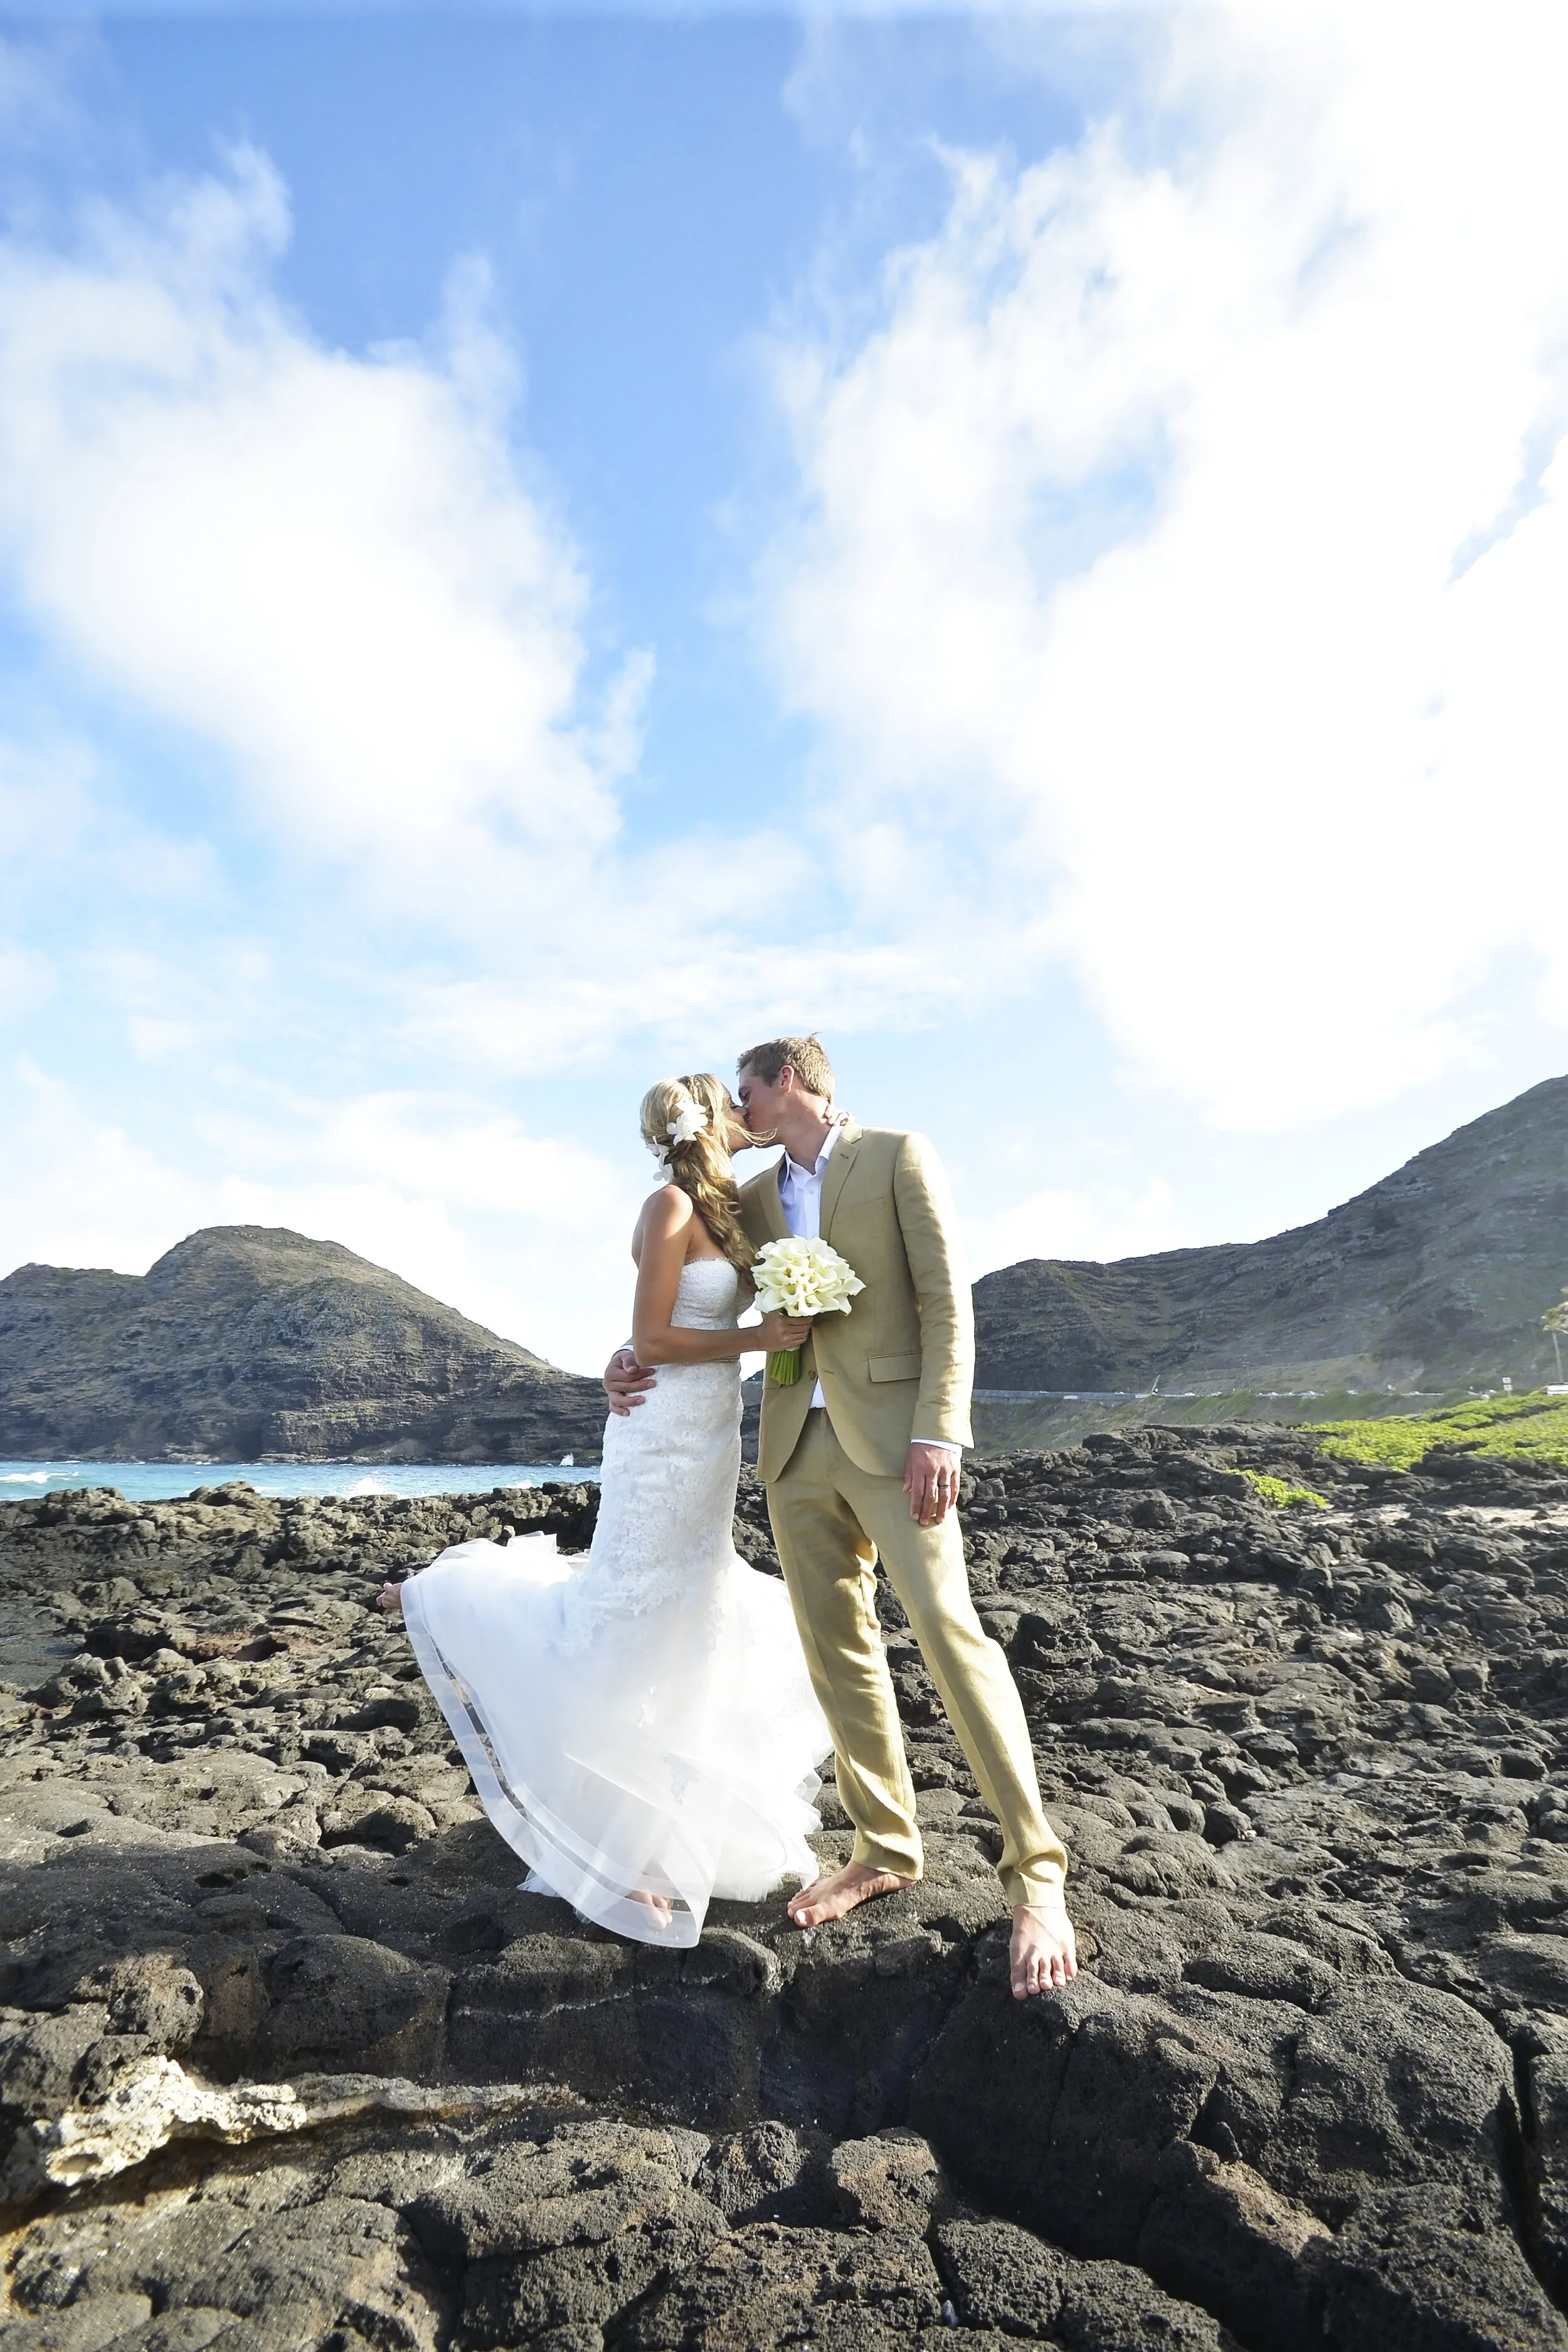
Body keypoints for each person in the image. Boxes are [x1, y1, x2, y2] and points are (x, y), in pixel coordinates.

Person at [605, 1035, 1077, 2000]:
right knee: (837, 1651)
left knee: (951, 1637)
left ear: (793, 1083)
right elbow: (689, 1281)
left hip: (897, 1439)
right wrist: (624, 1355)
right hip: (791, 1446)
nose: (737, 1114)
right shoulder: (753, 1198)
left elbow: (948, 1302)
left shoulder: (901, 1155)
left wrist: (941, 1433)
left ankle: (1038, 1877)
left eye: (748, 1092)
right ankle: (884, 1843)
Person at [379, 1072, 831, 1947]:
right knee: (626, 1609)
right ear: (702, 1120)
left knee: (693, 1608)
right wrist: (755, 1340)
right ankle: (620, 1847)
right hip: (658, 1434)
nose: (746, 1115)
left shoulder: (734, 1207)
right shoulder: (666, 1207)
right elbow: (655, 1337)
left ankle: (665, 1827)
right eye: (731, 1103)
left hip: (710, 1437)